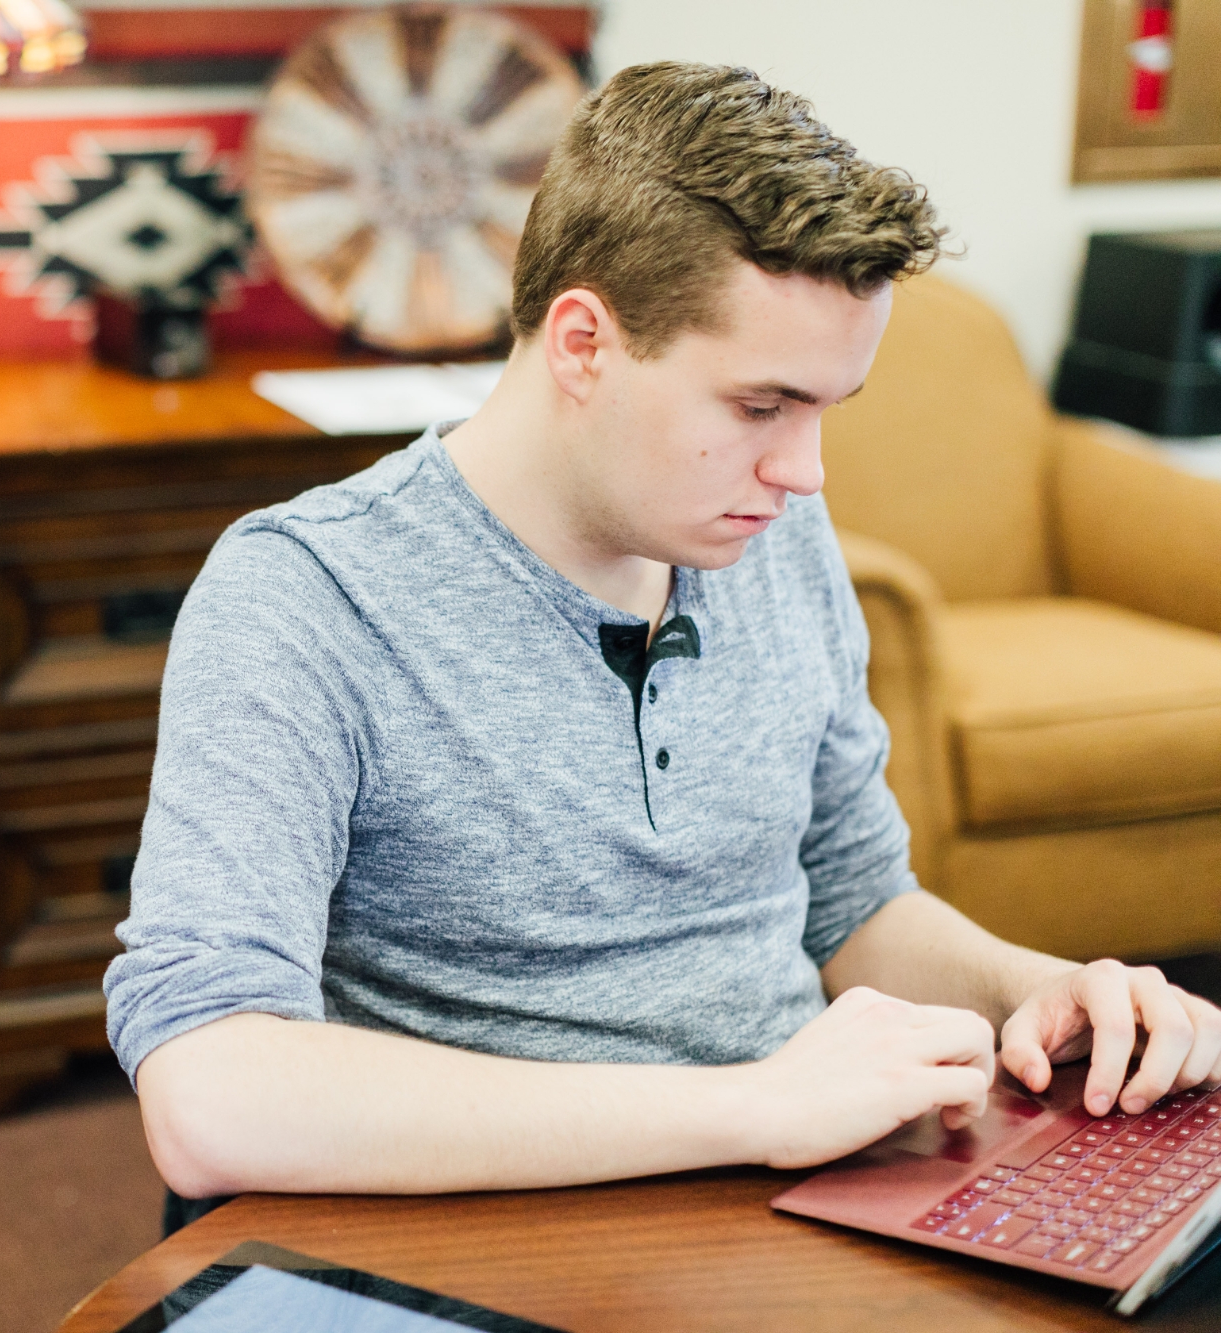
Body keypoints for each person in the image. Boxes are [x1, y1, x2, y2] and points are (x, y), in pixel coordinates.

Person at [102, 62, 1221, 1218]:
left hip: (792, 1197)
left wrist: (1041, 989)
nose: (804, 472)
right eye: (757, 407)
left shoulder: (769, 529)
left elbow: (851, 903)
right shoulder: (304, 594)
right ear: (582, 341)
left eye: (826, 410)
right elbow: (209, 1095)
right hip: (485, 1233)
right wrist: (748, 1105)